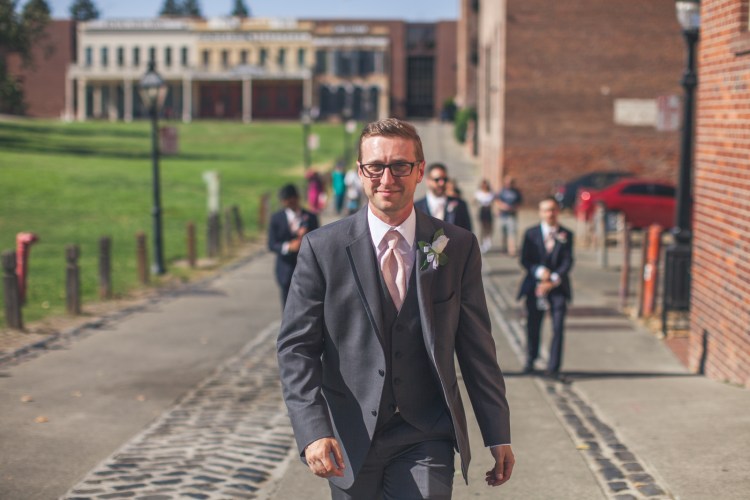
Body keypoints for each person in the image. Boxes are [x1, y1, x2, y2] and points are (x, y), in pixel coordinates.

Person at [277, 118, 514, 499]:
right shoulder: (323, 249)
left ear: (419, 171)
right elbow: (296, 349)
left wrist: (497, 432)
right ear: (360, 172)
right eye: (376, 167)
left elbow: (476, 347)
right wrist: (313, 431)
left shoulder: (456, 245)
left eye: (400, 166)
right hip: (350, 436)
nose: (387, 178)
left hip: (427, 432)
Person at [517, 197, 574, 377]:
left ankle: (553, 366)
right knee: (533, 324)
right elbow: (525, 259)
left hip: (558, 287)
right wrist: (540, 272)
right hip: (534, 285)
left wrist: (553, 279)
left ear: (558, 211)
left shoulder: (566, 234)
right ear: (540, 213)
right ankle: (531, 359)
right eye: (546, 210)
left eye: (553, 210)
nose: (550, 214)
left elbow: (567, 261)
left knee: (558, 327)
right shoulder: (531, 233)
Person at [268, 184, 320, 308]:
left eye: (289, 200)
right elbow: (271, 244)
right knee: (287, 305)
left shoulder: (310, 217)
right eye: (284, 201)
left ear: (296, 198)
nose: (286, 203)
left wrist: (306, 237)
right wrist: (288, 247)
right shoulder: (276, 218)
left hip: (306, 268)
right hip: (285, 268)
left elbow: (319, 241)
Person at [414, 163, 473, 232]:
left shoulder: (460, 205)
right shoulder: (416, 207)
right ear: (428, 181)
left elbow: (467, 233)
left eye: (444, 179)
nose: (441, 183)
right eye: (437, 179)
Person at [496, 176, 523, 256]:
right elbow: (497, 201)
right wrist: (502, 206)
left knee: (512, 232)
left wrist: (514, 208)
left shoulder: (516, 192)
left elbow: (519, 202)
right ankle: (504, 248)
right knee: (503, 233)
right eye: (507, 183)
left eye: (510, 182)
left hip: (512, 215)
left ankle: (512, 250)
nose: (508, 184)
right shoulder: (502, 191)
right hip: (503, 215)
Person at [474, 179, 495, 253]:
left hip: (488, 211)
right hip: (482, 211)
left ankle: (487, 241)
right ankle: (481, 243)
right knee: (482, 228)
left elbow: (493, 202)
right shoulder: (478, 193)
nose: (484, 186)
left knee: (489, 227)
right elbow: (474, 201)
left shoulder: (490, 193)